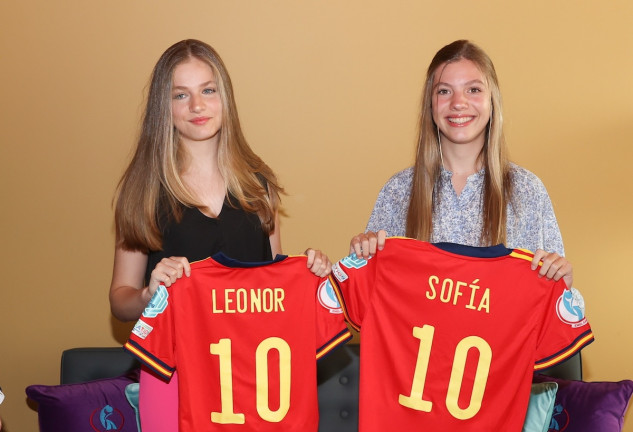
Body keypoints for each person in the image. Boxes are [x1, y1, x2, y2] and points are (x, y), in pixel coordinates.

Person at [109, 39, 330, 431]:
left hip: (253, 372)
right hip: (172, 374)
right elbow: (120, 301)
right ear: (165, 108)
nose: (197, 106)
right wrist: (147, 294)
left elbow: (274, 281)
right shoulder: (142, 190)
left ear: (224, 98)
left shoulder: (258, 186)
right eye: (182, 95)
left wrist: (309, 275)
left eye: (208, 90)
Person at [350, 40, 573, 288]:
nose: (458, 103)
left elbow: (556, 309)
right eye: (444, 91)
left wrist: (563, 283)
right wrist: (362, 259)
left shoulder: (527, 191)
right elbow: (369, 298)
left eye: (473, 90)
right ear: (430, 104)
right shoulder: (399, 191)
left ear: (492, 100)